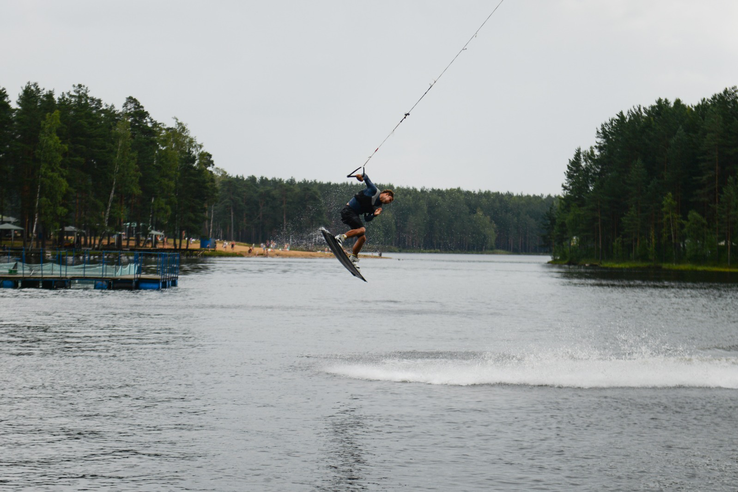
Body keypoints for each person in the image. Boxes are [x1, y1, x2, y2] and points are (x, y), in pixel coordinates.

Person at [335, 173, 394, 270]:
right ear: (386, 194)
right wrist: (360, 177)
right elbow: (366, 177)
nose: (389, 202)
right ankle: (340, 238)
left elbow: (367, 219)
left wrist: (374, 215)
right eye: (389, 200)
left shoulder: (377, 207)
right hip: (348, 210)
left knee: (362, 238)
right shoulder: (374, 190)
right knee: (362, 230)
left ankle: (353, 257)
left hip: (354, 215)